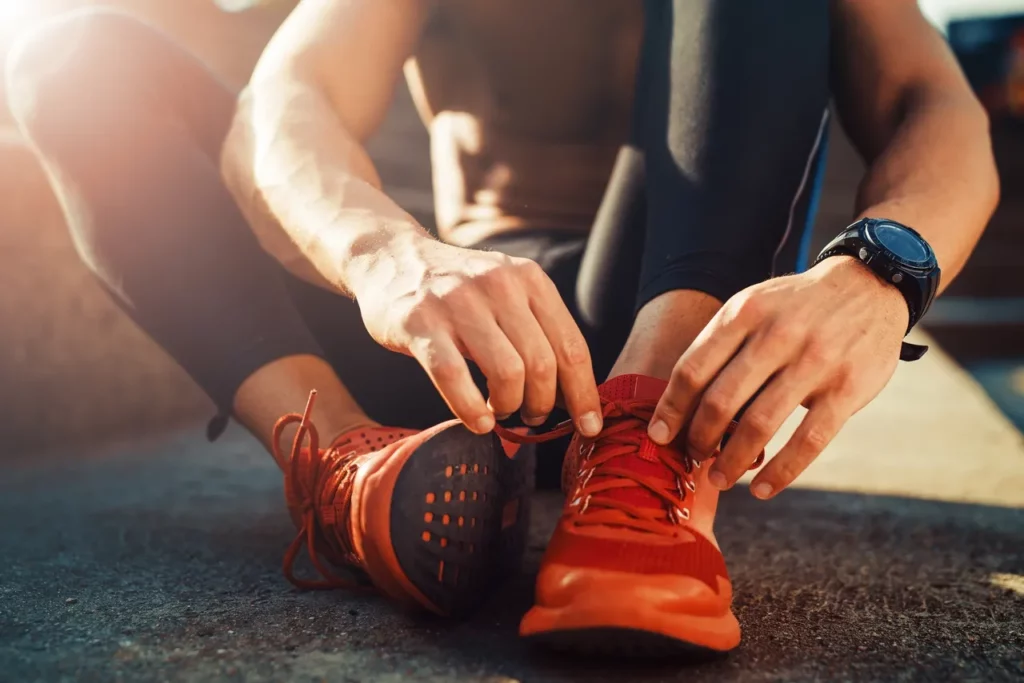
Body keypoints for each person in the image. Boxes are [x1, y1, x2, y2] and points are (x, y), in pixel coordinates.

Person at [6, 0, 997, 656]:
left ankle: (641, 457)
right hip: (461, 360)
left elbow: (933, 104)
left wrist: (874, 274)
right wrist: (384, 252)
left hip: (675, 334)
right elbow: (285, 103)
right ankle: (343, 461)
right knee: (73, 57)